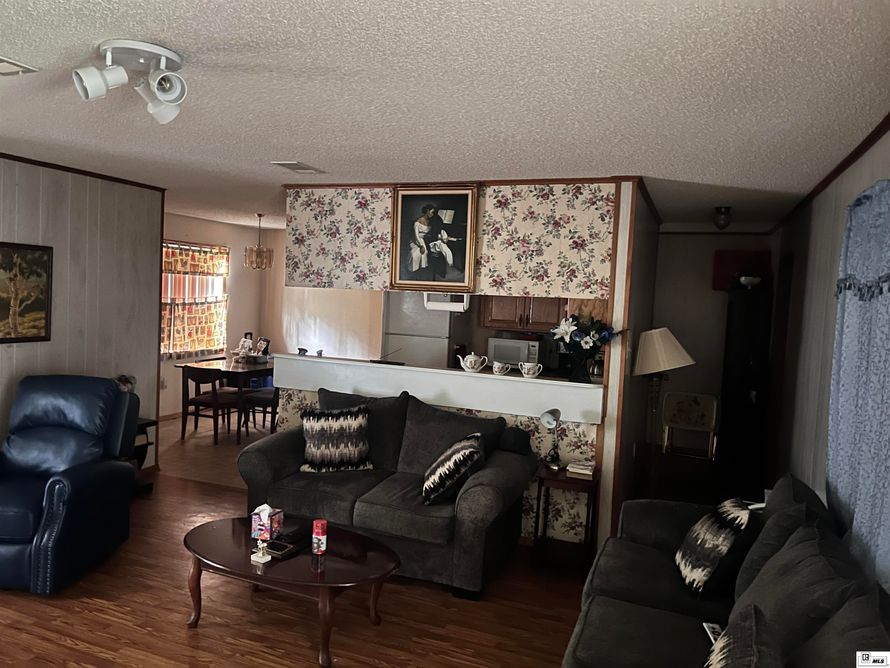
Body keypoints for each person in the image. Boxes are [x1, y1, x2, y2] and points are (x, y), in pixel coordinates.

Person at [408, 204, 436, 273]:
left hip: (424, 239)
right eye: (432, 212)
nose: (432, 214)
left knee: (424, 253)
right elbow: (416, 236)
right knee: (415, 254)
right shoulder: (417, 222)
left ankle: (422, 269)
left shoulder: (431, 221)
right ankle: (414, 270)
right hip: (416, 240)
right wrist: (421, 246)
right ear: (427, 211)